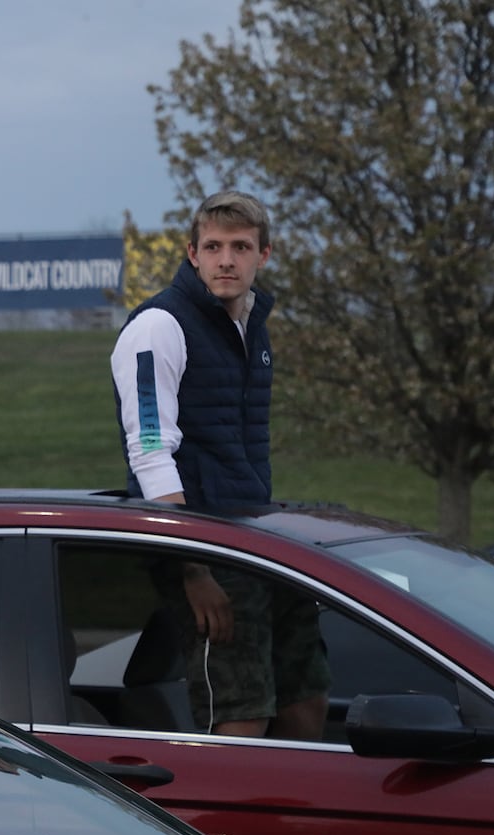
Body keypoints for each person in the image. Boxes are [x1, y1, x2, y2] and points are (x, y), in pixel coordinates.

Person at [110, 191, 328, 739]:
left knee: (306, 698)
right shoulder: (158, 326)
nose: (226, 259)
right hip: (204, 548)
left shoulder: (254, 326)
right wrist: (193, 566)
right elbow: (150, 449)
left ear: (264, 255)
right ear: (192, 253)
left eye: (240, 247)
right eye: (213, 246)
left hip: (261, 541)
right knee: (241, 710)